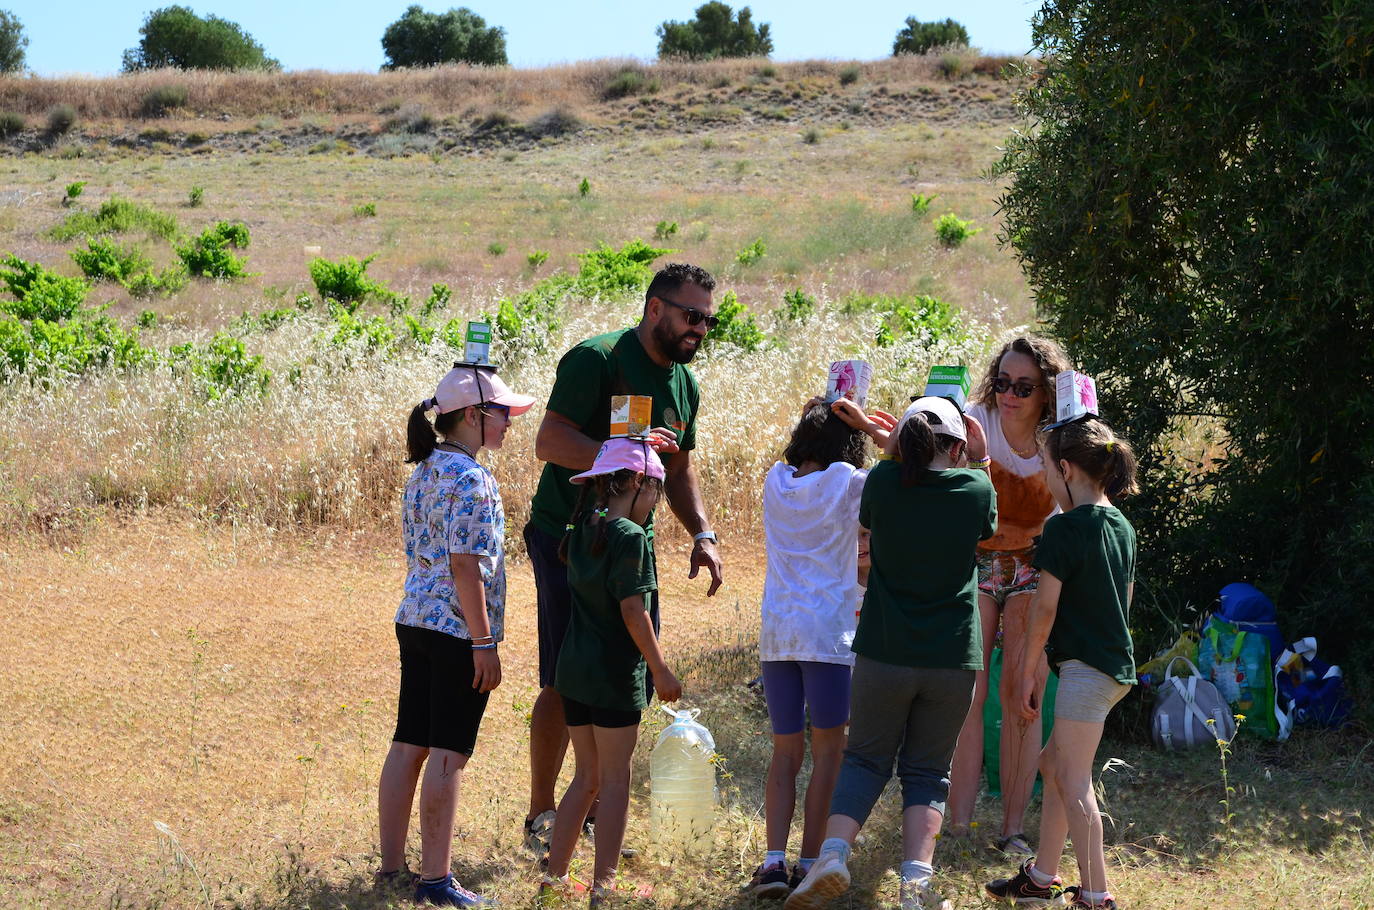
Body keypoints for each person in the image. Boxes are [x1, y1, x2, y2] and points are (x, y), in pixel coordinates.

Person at [523, 263, 724, 856]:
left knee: (620, 676)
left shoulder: (684, 384)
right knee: (566, 677)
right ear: (655, 308)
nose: (700, 329)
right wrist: (625, 457)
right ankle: (541, 815)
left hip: (632, 547)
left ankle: (586, 814)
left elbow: (679, 470)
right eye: (692, 316)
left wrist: (703, 533)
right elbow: (549, 441)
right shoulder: (598, 359)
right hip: (570, 538)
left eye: (708, 320)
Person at [786, 397, 995, 910]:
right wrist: (983, 458)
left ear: (903, 442)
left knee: (864, 759)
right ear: (958, 443)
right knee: (927, 772)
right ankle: (915, 889)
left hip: (883, 651)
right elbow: (988, 524)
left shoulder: (882, 483)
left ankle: (832, 855)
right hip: (951, 658)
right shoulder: (975, 488)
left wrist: (891, 445)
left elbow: (889, 490)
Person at [376, 364, 534, 908]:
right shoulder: (473, 478)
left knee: (408, 744)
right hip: (455, 633)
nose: (510, 422)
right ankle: (436, 881)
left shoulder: (423, 470)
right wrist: (484, 643)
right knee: (447, 753)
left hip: (415, 620)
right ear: (472, 416)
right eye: (502, 413)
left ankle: (393, 868)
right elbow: (466, 565)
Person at [985, 417, 1139, 910]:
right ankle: (1041, 877)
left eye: (1048, 469)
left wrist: (1029, 671)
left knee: (1074, 780)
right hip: (1110, 667)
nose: (1047, 480)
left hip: (1085, 671)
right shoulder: (1122, 525)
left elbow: (1044, 610)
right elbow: (1126, 600)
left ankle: (1096, 896)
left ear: (1067, 470)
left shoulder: (1064, 528)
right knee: (1052, 764)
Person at [747, 398, 896, 898]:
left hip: (778, 634)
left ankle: (772, 862)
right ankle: (811, 861)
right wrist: (875, 430)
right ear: (847, 443)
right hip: (829, 635)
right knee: (830, 752)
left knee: (785, 752)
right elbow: (903, 472)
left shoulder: (774, 481)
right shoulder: (850, 484)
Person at [539, 438, 684, 905]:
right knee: (615, 779)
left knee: (587, 777)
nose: (652, 508)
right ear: (639, 483)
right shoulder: (630, 536)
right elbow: (632, 611)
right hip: (613, 676)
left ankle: (555, 877)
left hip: (575, 674)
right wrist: (660, 669)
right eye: (654, 495)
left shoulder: (584, 525)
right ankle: (605, 886)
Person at [947, 335, 1072, 856]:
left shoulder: (1059, 439)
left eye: (1024, 386)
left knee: (1023, 695)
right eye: (1002, 382)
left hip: (1033, 564)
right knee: (966, 694)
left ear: (1047, 393)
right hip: (975, 558)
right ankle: (956, 826)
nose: (1010, 395)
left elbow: (1077, 505)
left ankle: (1012, 830)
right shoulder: (973, 420)